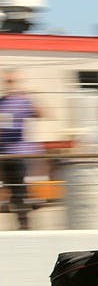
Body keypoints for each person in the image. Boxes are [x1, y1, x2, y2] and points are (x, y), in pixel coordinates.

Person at [0, 69, 40, 230]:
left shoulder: (22, 101)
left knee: (17, 188)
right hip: (4, 154)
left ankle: (24, 222)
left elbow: (40, 113)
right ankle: (25, 211)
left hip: (17, 153)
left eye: (11, 81)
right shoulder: (2, 102)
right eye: (7, 81)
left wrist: (31, 98)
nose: (9, 84)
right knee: (13, 188)